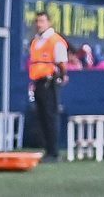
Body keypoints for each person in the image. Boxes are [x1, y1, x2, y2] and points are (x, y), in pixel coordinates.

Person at [28, 11, 67, 162]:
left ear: (49, 22)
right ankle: (48, 149)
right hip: (38, 81)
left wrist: (62, 76)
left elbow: (62, 62)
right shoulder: (36, 41)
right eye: (37, 21)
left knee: (50, 116)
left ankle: (54, 151)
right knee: (42, 117)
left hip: (49, 81)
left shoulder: (55, 40)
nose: (39, 24)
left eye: (42, 21)